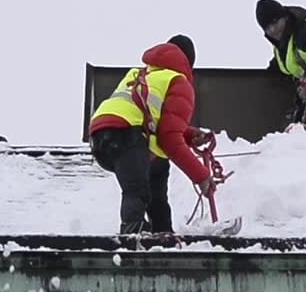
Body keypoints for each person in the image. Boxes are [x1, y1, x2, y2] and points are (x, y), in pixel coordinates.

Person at [88, 35, 214, 234]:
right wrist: (202, 176)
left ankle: (162, 231)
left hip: (100, 137)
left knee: (158, 172)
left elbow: (152, 118)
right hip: (127, 134)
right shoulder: (178, 81)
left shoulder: (139, 74)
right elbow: (170, 139)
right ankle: (132, 231)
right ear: (188, 63)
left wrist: (189, 136)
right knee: (137, 191)